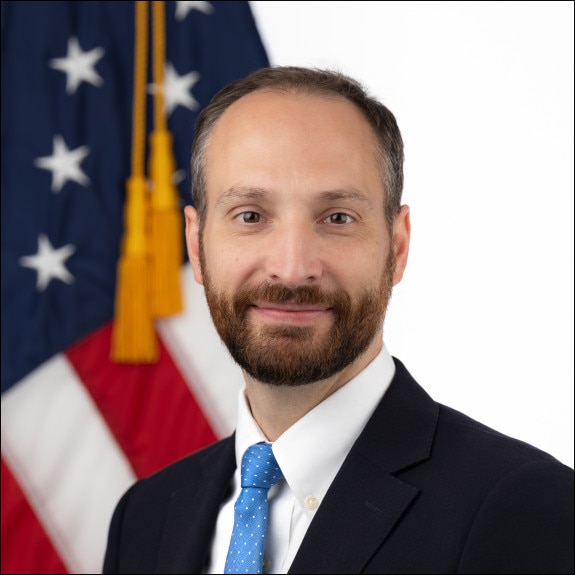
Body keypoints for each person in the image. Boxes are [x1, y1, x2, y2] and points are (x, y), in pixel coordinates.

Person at [102, 66, 574, 575]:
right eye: (250, 216)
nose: (292, 267)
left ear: (397, 247)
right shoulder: (145, 517)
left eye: (337, 218)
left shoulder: (525, 505)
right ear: (196, 246)